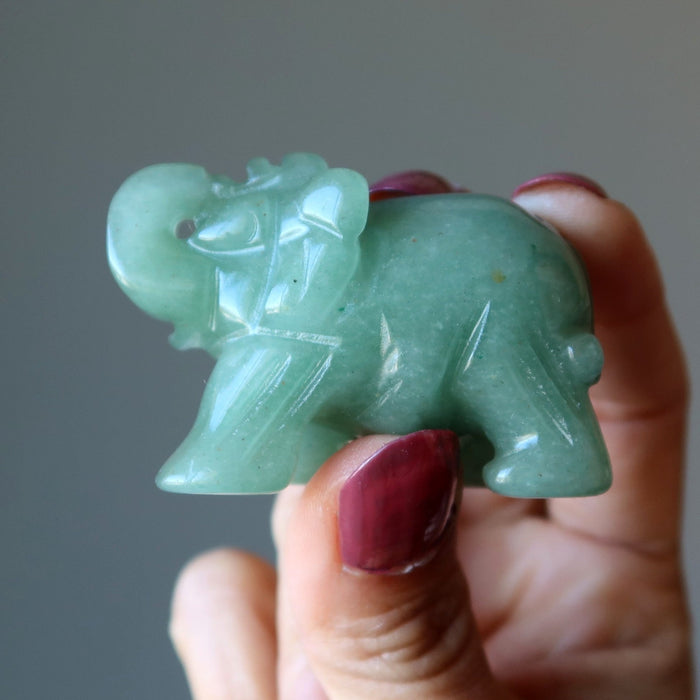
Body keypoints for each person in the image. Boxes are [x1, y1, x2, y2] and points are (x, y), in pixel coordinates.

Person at [166, 174, 694, 699]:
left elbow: (235, 432)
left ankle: (552, 446)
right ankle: (543, 443)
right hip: (483, 267)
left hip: (491, 278)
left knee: (501, 367)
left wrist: (222, 453)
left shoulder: (292, 321)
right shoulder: (298, 305)